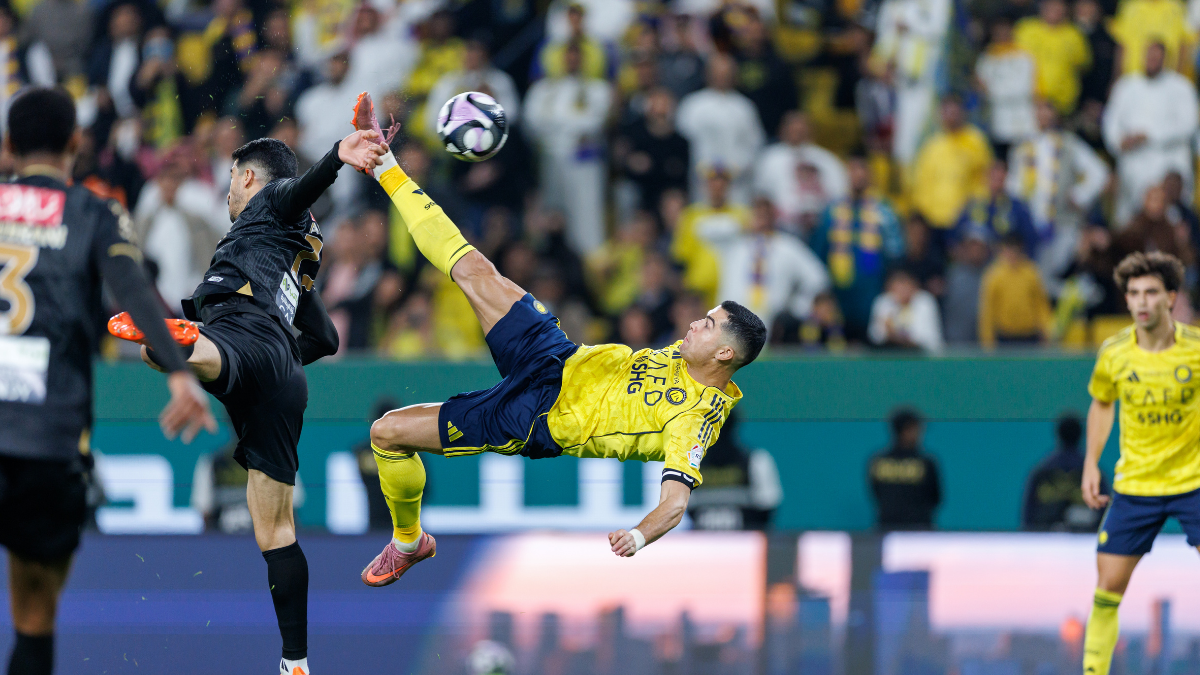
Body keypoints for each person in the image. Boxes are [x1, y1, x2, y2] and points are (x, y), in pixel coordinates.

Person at [351, 92, 767, 583]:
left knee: (387, 432)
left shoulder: (695, 418)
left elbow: (675, 503)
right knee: (474, 268)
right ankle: (384, 162)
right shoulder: (687, 353)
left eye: (709, 323)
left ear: (724, 352)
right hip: (557, 355)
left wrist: (638, 534)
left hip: (535, 416)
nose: (695, 323)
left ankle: (408, 542)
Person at [112, 122, 386, 675]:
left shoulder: (267, 206)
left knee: (175, 353)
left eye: (233, 182)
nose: (229, 194)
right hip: (285, 378)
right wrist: (277, 359)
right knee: (276, 531)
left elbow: (296, 189)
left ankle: (187, 346)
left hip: (242, 338)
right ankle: (296, 661)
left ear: (249, 177)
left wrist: (338, 155)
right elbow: (326, 340)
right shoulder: (302, 252)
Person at [0, 87, 215, 675]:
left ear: (8, 147)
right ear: (75, 144)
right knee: (35, 612)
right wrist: (178, 374)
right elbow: (132, 289)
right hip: (47, 435)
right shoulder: (93, 210)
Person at [1080, 251, 1200, 675]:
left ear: (1171, 297)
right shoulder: (1114, 353)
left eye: (1151, 292)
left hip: (1194, 483)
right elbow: (1101, 404)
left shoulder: (1196, 351)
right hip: (1136, 487)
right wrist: (1091, 463)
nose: (1142, 302)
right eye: (1133, 294)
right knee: (1107, 587)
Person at [810, 154, 905, 342]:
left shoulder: (884, 212)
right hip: (838, 297)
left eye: (863, 170)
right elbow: (818, 254)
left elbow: (896, 254)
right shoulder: (832, 212)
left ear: (870, 175)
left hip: (873, 296)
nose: (858, 176)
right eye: (853, 170)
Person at [1103, 42, 1199, 226]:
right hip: (1133, 163)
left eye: (1157, 57)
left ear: (1165, 59)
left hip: (1168, 161)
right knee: (1128, 220)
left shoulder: (1181, 87)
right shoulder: (1126, 85)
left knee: (1171, 220)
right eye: (1149, 56)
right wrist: (1118, 141)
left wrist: (1150, 136)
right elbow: (1111, 121)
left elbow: (1189, 124)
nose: (1152, 61)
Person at [717, 196, 830, 327]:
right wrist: (740, 226)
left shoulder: (787, 246)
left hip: (773, 324)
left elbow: (818, 278)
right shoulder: (735, 245)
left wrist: (798, 308)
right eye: (757, 215)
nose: (761, 221)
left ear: (773, 217)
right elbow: (705, 230)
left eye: (765, 215)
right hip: (734, 323)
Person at [911, 95, 994, 240]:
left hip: (965, 220)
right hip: (934, 220)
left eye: (954, 112)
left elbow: (986, 177)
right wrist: (924, 213)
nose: (950, 117)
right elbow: (922, 182)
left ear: (962, 113)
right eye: (946, 112)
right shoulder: (932, 145)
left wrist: (975, 208)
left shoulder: (975, 141)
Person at [1022, 412, 1106, 532]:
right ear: (1081, 435)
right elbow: (1106, 520)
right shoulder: (1095, 475)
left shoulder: (1041, 472)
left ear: (1058, 434)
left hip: (1045, 546)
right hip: (1085, 546)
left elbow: (1028, 520)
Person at [868, 408, 942, 530]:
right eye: (916, 429)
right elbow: (936, 498)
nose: (920, 434)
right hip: (919, 531)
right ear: (905, 431)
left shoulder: (877, 461)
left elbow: (875, 493)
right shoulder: (926, 463)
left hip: (887, 529)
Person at [978, 234, 1051, 348]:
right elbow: (988, 310)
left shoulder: (1031, 272)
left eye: (1015, 250)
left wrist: (1046, 331)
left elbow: (1040, 304)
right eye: (1008, 250)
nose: (1012, 254)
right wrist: (987, 340)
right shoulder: (994, 275)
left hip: (1029, 335)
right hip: (1004, 336)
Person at [868, 267, 944, 352]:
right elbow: (875, 335)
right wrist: (887, 332)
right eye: (897, 289)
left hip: (924, 357)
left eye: (905, 287)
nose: (902, 292)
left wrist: (896, 334)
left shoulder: (925, 301)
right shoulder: (883, 301)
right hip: (891, 355)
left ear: (914, 286)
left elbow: (927, 338)